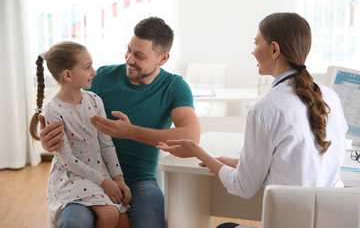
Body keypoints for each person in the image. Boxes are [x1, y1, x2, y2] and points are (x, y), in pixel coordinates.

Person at [156, 12, 348, 228]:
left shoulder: (264, 109)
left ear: (274, 49)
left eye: (256, 43)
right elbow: (302, 162)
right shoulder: (330, 96)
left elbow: (243, 187)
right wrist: (242, 164)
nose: (253, 50)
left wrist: (198, 152)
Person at [38, 17, 201, 228]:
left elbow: (190, 135)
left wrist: (131, 132)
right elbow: (66, 112)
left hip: (140, 179)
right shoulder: (101, 78)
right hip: (89, 177)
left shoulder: (174, 87)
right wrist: (49, 140)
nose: (129, 59)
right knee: (75, 222)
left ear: (163, 58)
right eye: (129, 50)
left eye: (139, 56)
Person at [29, 41, 131, 228]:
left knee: (124, 222)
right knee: (109, 214)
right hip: (72, 176)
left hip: (100, 172)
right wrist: (105, 182)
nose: (94, 72)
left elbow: (106, 144)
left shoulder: (95, 101)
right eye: (87, 67)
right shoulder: (52, 111)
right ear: (68, 75)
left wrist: (118, 179)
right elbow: (67, 159)